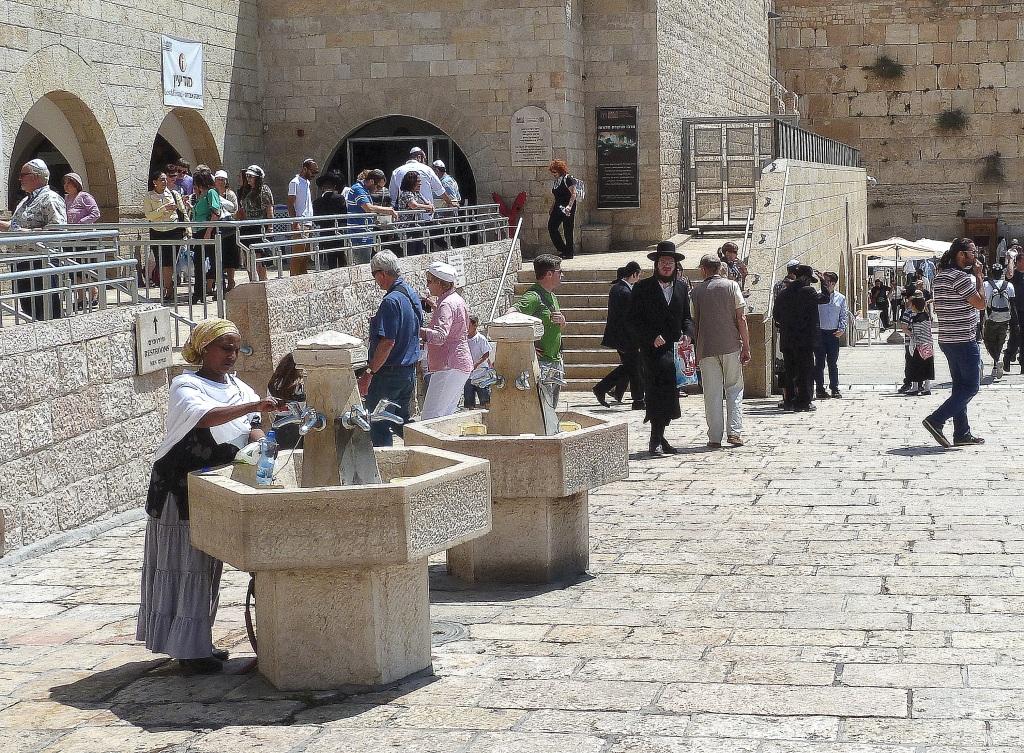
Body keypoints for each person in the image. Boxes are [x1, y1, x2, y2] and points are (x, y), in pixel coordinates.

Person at [137, 318, 281, 674]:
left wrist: (260, 441)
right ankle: (187, 649)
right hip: (178, 489)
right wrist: (254, 409)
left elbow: (254, 427)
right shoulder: (185, 385)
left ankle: (197, 641)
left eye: (236, 349)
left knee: (205, 566)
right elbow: (204, 418)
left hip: (212, 488)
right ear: (203, 350)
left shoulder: (240, 388)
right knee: (182, 564)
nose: (231, 355)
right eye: (224, 348)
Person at [630, 241, 694, 455]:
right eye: (663, 262)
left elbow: (687, 318)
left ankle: (660, 437)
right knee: (658, 392)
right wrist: (650, 337)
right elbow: (632, 320)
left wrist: (688, 335)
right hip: (653, 352)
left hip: (676, 351)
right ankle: (655, 440)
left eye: (671, 262)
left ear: (676, 266)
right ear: (656, 264)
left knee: (669, 394)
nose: (667, 266)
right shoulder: (642, 288)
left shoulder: (682, 287)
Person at [922, 238, 987, 448]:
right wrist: (979, 277)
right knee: (971, 387)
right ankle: (936, 420)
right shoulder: (961, 278)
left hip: (948, 339)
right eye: (973, 252)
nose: (975, 256)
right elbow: (980, 304)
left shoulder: (940, 277)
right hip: (964, 340)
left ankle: (962, 433)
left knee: (960, 387)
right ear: (961, 255)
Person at [358, 251, 424, 447]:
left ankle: (385, 468)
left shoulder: (390, 301)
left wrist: (369, 373)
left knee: (378, 422)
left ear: (381, 274)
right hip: (407, 372)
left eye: (374, 275)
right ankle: (424, 449)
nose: (376, 281)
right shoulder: (411, 293)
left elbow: (387, 342)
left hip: (388, 375)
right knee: (400, 421)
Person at [690, 253, 751, 448]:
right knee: (734, 388)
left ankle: (714, 436)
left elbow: (693, 322)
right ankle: (735, 432)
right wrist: (746, 346)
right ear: (719, 268)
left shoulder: (696, 293)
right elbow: (741, 318)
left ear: (703, 269)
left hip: (706, 348)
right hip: (730, 345)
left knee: (712, 392)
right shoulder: (732, 286)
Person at [0, 159, 67, 320]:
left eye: (23, 175)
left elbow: (59, 230)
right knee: (29, 308)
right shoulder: (26, 200)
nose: (20, 178)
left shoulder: (50, 198)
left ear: (36, 177)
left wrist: (27, 232)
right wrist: (5, 225)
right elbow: (18, 226)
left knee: (46, 310)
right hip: (23, 261)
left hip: (41, 261)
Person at [419, 261, 473, 420]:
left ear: (440, 283)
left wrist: (416, 330)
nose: (427, 285)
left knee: (430, 418)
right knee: (445, 415)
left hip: (448, 365)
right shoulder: (456, 299)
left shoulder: (446, 304)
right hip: (458, 364)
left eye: (429, 281)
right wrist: (434, 305)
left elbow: (441, 336)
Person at [514, 254, 567, 404]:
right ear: (549, 274)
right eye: (559, 271)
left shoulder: (551, 295)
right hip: (542, 363)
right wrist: (527, 345)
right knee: (542, 408)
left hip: (556, 359)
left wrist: (562, 322)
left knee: (551, 407)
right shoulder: (533, 296)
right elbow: (510, 316)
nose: (562, 274)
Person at [593, 261, 644, 409]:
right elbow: (628, 319)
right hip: (626, 338)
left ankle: (636, 399)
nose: (639, 279)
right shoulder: (625, 292)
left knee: (632, 367)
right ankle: (603, 389)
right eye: (638, 275)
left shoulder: (617, 288)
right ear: (634, 274)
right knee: (633, 367)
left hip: (620, 337)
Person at [773, 265, 821, 412]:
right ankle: (804, 402)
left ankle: (789, 400)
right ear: (805, 278)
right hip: (805, 340)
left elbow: (776, 315)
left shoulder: (784, 293)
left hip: (788, 340)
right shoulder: (809, 291)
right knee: (805, 371)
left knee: (790, 371)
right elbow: (825, 299)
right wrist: (824, 283)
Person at [143, 169, 188, 302]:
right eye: (161, 179)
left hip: (173, 230)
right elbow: (149, 215)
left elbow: (183, 211)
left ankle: (168, 288)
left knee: (170, 262)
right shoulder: (149, 196)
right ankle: (168, 288)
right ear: (154, 182)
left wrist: (188, 228)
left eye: (165, 179)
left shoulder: (174, 194)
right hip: (157, 232)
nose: (164, 182)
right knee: (161, 261)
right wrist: (163, 209)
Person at [63, 172, 102, 308]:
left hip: (85, 237)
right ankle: (80, 297)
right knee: (75, 269)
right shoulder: (66, 199)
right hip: (70, 237)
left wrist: (80, 223)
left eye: (69, 183)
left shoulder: (84, 197)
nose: (66, 186)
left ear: (76, 184)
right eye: (65, 183)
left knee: (87, 267)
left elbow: (95, 213)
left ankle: (93, 293)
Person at [237, 165, 274, 282]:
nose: (248, 179)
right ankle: (252, 281)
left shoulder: (264, 189)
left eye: (251, 176)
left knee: (258, 257)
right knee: (248, 257)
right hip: (246, 226)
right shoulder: (245, 191)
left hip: (258, 226)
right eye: (247, 176)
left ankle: (263, 281)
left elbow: (269, 209)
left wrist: (270, 227)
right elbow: (242, 209)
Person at [814, 271, 847, 400]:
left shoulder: (840, 298)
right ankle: (820, 389)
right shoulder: (817, 296)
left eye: (827, 281)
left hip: (833, 333)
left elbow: (843, 315)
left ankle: (834, 388)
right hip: (820, 333)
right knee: (819, 363)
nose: (825, 283)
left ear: (833, 283)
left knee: (832, 363)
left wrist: (842, 328)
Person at [190, 168, 221, 304]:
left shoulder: (211, 193)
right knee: (198, 263)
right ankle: (198, 292)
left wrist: (208, 231)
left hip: (208, 231)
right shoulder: (200, 195)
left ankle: (218, 289)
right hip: (199, 232)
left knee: (214, 263)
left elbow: (216, 213)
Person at [347, 169, 397, 246]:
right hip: (359, 234)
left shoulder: (364, 189)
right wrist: (388, 210)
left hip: (366, 232)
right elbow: (368, 208)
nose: (378, 190)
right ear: (371, 181)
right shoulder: (358, 189)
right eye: (379, 187)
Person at [982, 263, 1015, 380]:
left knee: (988, 341)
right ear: (1002, 273)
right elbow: (1012, 304)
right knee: (1000, 342)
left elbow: (983, 303)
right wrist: (1014, 323)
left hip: (991, 318)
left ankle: (997, 360)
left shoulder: (985, 285)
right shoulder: (1009, 285)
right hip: (1005, 318)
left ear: (991, 273)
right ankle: (996, 365)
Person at [286, 158, 319, 276]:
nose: (314, 175)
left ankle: (303, 277)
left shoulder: (307, 182)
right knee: (298, 254)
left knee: (306, 254)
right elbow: (290, 203)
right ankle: (293, 277)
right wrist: (295, 221)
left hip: (308, 222)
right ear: (305, 169)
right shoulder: (295, 182)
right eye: (313, 172)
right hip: (300, 222)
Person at [312, 171, 347, 268]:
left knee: (330, 259)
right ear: (334, 186)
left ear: (322, 188)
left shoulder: (317, 202)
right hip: (338, 231)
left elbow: (316, 220)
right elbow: (344, 216)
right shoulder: (340, 198)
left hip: (325, 232)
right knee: (340, 256)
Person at [213, 170, 240, 292]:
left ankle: (231, 281)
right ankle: (219, 284)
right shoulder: (212, 193)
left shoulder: (230, 194)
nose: (220, 181)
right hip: (217, 229)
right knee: (219, 257)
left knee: (230, 257)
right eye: (218, 179)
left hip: (230, 229)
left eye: (222, 179)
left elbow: (235, 210)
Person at [396, 172, 434, 255]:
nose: (420, 184)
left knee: (420, 251)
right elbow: (414, 205)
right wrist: (427, 207)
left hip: (417, 227)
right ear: (411, 182)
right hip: (407, 228)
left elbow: (427, 203)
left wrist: (429, 206)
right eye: (418, 181)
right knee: (410, 251)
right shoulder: (406, 193)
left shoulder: (417, 193)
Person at [547, 159, 578, 259]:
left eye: (555, 172)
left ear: (560, 170)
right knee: (552, 226)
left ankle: (569, 252)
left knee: (567, 229)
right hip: (558, 207)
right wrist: (552, 207)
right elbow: (556, 196)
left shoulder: (568, 178)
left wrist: (569, 206)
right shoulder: (556, 181)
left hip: (567, 207)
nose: (553, 174)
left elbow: (573, 193)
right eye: (552, 172)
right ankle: (562, 249)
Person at [905, 294, 934, 396]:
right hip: (928, 344)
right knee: (927, 366)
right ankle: (927, 388)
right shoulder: (927, 316)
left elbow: (915, 333)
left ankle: (915, 388)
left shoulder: (916, 318)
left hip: (919, 345)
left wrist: (911, 334)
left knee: (916, 367)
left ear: (914, 306)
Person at [464, 315, 493, 409]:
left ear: (475, 325)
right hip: (468, 375)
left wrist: (476, 364)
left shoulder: (481, 339)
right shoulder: (464, 339)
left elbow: (486, 354)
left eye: (468, 325)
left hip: (481, 373)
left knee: (485, 400)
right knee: (469, 402)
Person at [1003, 253, 1024, 374]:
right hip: (1015, 310)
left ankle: (1023, 364)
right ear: (1019, 261)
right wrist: (1011, 259)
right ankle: (1008, 355)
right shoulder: (1014, 274)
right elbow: (1009, 274)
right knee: (1015, 335)